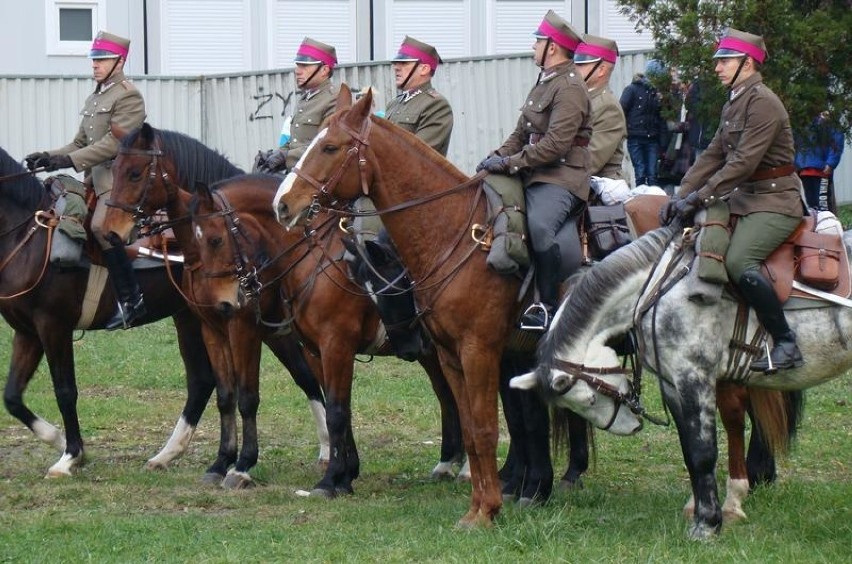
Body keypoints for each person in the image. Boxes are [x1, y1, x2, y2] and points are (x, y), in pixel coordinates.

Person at [661, 28, 805, 373]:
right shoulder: (735, 101)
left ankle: (786, 343)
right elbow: (712, 155)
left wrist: (698, 197)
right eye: (719, 61)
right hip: (747, 199)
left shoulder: (764, 103)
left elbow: (742, 163)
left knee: (739, 261)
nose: (717, 68)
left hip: (776, 201)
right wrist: (679, 195)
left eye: (724, 60)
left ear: (748, 63)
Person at [476, 10, 592, 331]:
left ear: (551, 47)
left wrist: (510, 163)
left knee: (540, 227)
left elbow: (555, 145)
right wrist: (494, 158)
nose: (533, 47)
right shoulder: (545, 82)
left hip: (561, 177)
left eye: (538, 41)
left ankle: (547, 305)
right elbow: (520, 134)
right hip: (534, 171)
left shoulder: (569, 88)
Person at [25, 30, 147, 330]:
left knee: (101, 228)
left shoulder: (129, 95)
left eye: (101, 59)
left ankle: (132, 301)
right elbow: (79, 143)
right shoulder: (97, 96)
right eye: (93, 59)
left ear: (119, 61)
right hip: (94, 180)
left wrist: (69, 161)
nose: (95, 65)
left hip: (118, 182)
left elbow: (114, 144)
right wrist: (48, 156)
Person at [258, 38, 338, 173]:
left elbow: (327, 146)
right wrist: (274, 155)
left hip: (318, 179)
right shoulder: (306, 98)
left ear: (324, 70)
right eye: (298, 65)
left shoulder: (335, 99)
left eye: (304, 66)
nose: (297, 71)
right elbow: (295, 141)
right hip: (298, 174)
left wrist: (286, 156)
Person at [573, 34, 627, 203]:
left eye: (581, 64)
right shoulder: (579, 99)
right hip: (574, 180)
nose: (574, 68)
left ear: (601, 70)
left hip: (602, 188)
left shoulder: (607, 106)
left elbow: (591, 161)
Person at [385, 36, 454, 157]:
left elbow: (417, 154)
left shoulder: (436, 105)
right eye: (396, 63)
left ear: (424, 69)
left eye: (404, 63)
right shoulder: (394, 104)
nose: (396, 67)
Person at [620, 59, 666, 187]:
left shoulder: (656, 94)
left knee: (652, 174)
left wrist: (663, 143)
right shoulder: (632, 90)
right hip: (635, 137)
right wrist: (624, 132)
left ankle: (652, 202)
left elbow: (661, 118)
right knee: (640, 173)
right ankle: (640, 201)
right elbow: (620, 111)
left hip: (652, 138)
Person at [795, 111, 845, 213]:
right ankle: (818, 226)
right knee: (812, 205)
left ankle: (826, 226)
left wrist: (831, 163)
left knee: (823, 205)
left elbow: (836, 140)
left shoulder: (826, 119)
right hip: (805, 170)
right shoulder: (800, 120)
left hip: (822, 170)